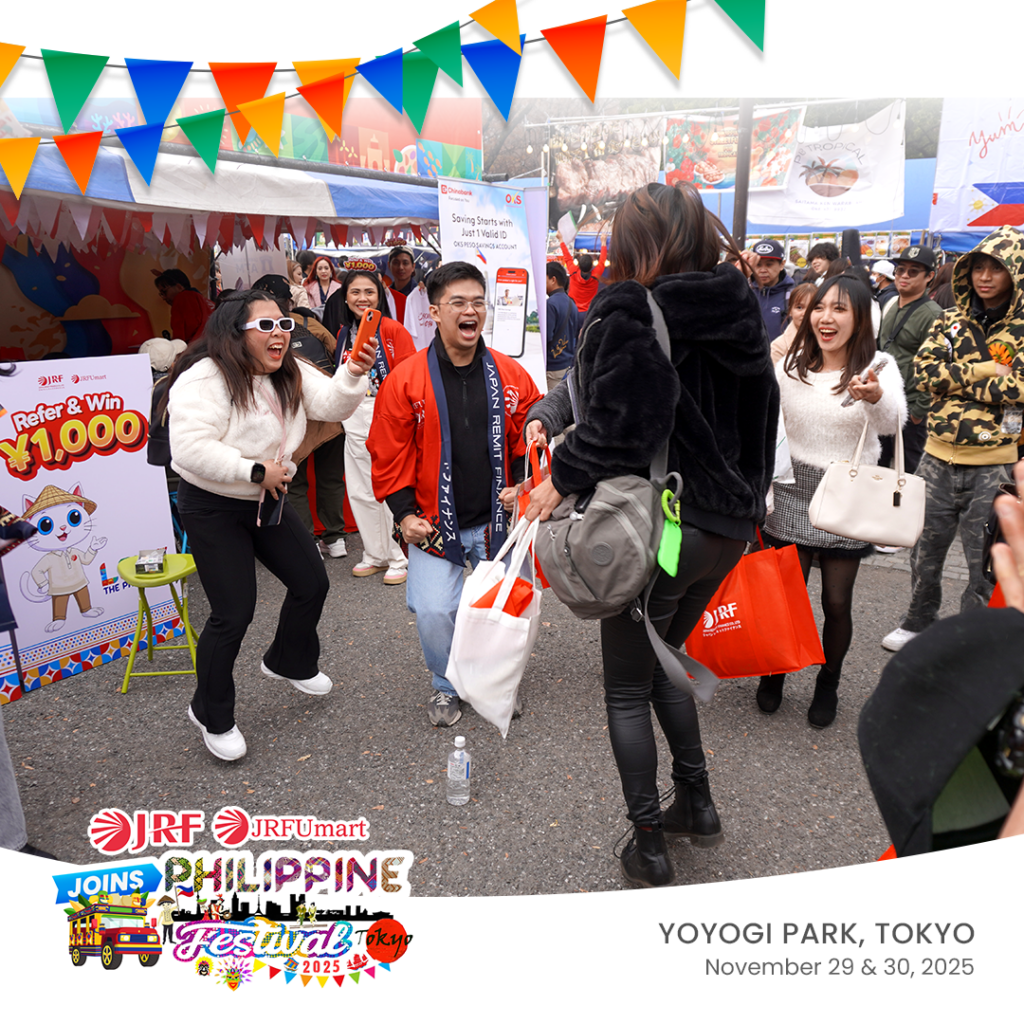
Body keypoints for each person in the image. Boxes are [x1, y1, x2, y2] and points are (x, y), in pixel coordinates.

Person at [525, 182, 779, 888]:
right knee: (665, 661)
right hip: (725, 529)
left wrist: (558, 479)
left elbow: (624, 425)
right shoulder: (739, 305)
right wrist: (746, 506)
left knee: (625, 691)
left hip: (660, 528)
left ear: (634, 242)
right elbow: (765, 415)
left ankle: (649, 847)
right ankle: (696, 804)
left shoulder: (633, 306)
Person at [165, 289, 374, 760]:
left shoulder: (288, 370)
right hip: (213, 504)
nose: (279, 333)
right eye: (266, 325)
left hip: (267, 495)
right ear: (233, 333)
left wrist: (353, 372)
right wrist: (256, 470)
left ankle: (288, 660)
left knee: (311, 582)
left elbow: (332, 405)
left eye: (284, 324)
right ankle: (210, 712)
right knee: (233, 613)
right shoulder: (204, 378)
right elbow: (190, 449)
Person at [367, 261, 542, 727]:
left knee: (508, 605)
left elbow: (528, 435)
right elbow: (387, 451)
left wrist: (522, 481)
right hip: (432, 521)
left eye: (478, 302)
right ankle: (446, 683)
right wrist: (404, 514)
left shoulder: (509, 373)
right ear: (435, 312)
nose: (471, 311)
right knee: (433, 610)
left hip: (497, 521)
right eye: (458, 302)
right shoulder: (405, 379)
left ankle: (496, 680)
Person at [759, 275, 906, 727]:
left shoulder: (878, 366)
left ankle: (828, 682)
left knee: (836, 603)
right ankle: (775, 670)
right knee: (787, 599)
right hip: (790, 490)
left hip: (847, 494)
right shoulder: (791, 366)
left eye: (840, 309)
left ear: (860, 318)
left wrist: (875, 397)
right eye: (820, 307)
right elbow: (768, 427)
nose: (826, 317)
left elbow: (892, 423)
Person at [882, 227, 1024, 652]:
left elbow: (1019, 387)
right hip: (936, 456)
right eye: (978, 268)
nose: (985, 277)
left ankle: (971, 637)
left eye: (996, 269)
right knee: (924, 552)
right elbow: (924, 373)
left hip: (995, 462)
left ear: (1015, 272)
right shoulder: (949, 319)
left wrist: (955, 380)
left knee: (984, 560)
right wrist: (986, 371)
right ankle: (918, 620)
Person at [251, 275, 349, 559]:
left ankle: (307, 540)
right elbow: (337, 354)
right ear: (289, 301)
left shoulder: (258, 331)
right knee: (331, 478)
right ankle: (335, 539)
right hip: (327, 413)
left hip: (290, 413)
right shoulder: (308, 323)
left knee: (294, 480)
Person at [335, 269, 416, 584]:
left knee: (388, 485)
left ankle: (399, 556)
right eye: (355, 292)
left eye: (369, 292)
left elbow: (409, 377)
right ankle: (375, 553)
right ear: (345, 297)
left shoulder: (394, 330)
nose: (362, 298)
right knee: (360, 489)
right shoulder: (344, 333)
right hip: (353, 414)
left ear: (379, 296)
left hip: (386, 413)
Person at [876, 246, 942, 476]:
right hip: (883, 399)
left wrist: (918, 411)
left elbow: (936, 367)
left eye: (913, 272)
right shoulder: (890, 303)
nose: (904, 276)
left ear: (929, 276)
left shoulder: (933, 314)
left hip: (911, 404)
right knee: (877, 465)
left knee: (908, 471)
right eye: (900, 270)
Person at [545, 261, 580, 393]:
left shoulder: (550, 304)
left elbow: (547, 337)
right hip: (565, 365)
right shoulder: (571, 303)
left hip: (552, 368)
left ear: (553, 280)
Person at [750, 238, 794, 339]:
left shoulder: (793, 294)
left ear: (782, 264)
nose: (762, 270)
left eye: (769, 264)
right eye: (758, 264)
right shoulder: (745, 293)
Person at [155, 268, 213, 344]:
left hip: (196, 347)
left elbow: (180, 338)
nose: (164, 297)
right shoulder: (205, 301)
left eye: (164, 292)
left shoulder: (182, 297)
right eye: (161, 294)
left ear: (179, 287)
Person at [558, 230, 607, 313]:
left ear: (578, 265)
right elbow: (602, 260)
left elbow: (567, 257)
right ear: (592, 266)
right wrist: (603, 242)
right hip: (588, 312)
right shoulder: (595, 275)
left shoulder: (573, 271)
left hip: (572, 311)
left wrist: (561, 240)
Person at [770, 281, 816, 366]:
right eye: (799, 307)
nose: (805, 313)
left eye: (811, 308)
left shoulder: (827, 342)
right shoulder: (778, 347)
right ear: (790, 310)